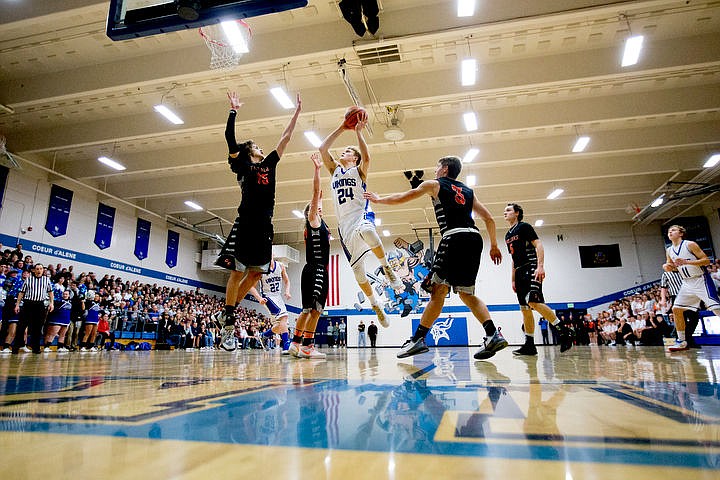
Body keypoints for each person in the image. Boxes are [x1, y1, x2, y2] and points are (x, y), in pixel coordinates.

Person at [365, 155, 503, 359]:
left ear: (445, 169)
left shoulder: (435, 184)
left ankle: (418, 339)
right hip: (475, 239)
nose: (435, 170)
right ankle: (493, 335)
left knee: (437, 291)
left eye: (437, 166)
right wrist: (494, 245)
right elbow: (489, 218)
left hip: (454, 237)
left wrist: (379, 200)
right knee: (467, 294)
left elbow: (406, 196)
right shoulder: (468, 191)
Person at [214, 90, 301, 351]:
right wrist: (233, 110)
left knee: (254, 275)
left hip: (265, 225)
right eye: (257, 146)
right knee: (238, 271)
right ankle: (229, 321)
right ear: (250, 151)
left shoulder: (269, 164)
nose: (261, 148)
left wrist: (296, 113)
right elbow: (230, 137)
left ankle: (228, 311)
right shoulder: (242, 164)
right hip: (247, 221)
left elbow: (285, 139)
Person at [319, 112, 402, 328]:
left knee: (369, 231)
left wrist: (358, 133)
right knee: (358, 274)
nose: (342, 152)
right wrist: (341, 127)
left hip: (361, 214)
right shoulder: (335, 171)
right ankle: (375, 304)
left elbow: (368, 158)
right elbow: (322, 149)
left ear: (353, 158)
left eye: (347, 151)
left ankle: (386, 268)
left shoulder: (359, 171)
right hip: (344, 226)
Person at [502, 203, 573, 356]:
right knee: (525, 310)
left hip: (531, 267)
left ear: (517, 213)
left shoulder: (524, 227)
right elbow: (513, 259)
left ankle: (564, 331)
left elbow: (538, 244)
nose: (504, 212)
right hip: (520, 272)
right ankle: (529, 345)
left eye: (508, 210)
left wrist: (540, 266)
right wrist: (513, 279)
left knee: (534, 301)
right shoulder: (507, 235)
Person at [288, 153, 330, 359]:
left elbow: (318, 195)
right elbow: (315, 192)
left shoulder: (318, 223)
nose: (320, 208)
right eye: (317, 207)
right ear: (311, 212)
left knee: (307, 310)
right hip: (317, 270)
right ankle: (307, 346)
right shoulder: (313, 220)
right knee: (315, 310)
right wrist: (317, 169)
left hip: (311, 270)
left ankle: (295, 344)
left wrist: (321, 197)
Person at [663, 224, 720, 351]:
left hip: (701, 279)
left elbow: (706, 261)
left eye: (673, 230)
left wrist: (687, 261)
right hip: (687, 283)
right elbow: (673, 267)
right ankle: (682, 341)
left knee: (716, 309)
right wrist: (668, 267)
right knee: (676, 309)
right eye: (669, 231)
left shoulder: (690, 244)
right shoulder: (669, 250)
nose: (670, 232)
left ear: (681, 233)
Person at [250, 256, 292, 354]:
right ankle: (286, 345)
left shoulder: (280, 266)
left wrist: (287, 291)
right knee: (284, 317)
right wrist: (259, 298)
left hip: (278, 297)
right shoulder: (261, 270)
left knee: (280, 325)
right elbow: (251, 287)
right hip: (267, 298)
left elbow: (287, 281)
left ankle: (264, 335)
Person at [13, 263, 53, 354]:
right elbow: (21, 293)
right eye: (37, 269)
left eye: (41, 269)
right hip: (28, 304)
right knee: (21, 326)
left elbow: (50, 292)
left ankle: (35, 347)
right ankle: (16, 346)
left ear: (43, 270)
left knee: (38, 327)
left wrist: (52, 303)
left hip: (40, 305)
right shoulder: (28, 279)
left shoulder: (46, 280)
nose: (39, 270)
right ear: (34, 270)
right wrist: (17, 305)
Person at [660, 268, 699, 348]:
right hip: (676, 297)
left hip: (688, 296)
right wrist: (663, 299)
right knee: (682, 321)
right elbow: (663, 288)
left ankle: (686, 339)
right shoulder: (666, 274)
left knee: (695, 318)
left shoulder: (683, 271)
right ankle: (688, 341)